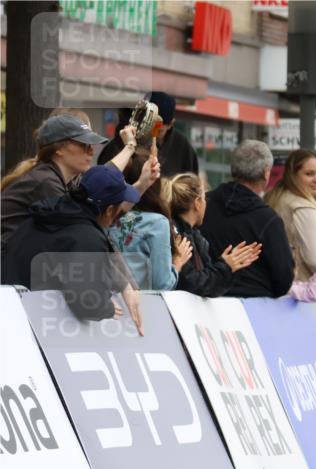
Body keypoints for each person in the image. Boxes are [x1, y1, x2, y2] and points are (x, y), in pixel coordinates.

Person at [1, 165, 142, 325]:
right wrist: (107, 308)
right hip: (29, 324)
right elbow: (88, 303)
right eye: (119, 209)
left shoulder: (45, 214)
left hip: (10, 311)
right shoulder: (87, 237)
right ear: (110, 210)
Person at [2, 114, 157, 244]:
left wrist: (142, 184)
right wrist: (129, 147)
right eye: (84, 144)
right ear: (59, 149)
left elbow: (105, 198)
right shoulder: (46, 182)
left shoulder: (65, 179)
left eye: (91, 145)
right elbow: (89, 224)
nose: (91, 151)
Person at [200, 140, 295, 298]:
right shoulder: (268, 219)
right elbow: (283, 280)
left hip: (203, 300)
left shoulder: (203, 205)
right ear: (266, 172)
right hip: (255, 303)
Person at [266, 149, 316, 300]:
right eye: (309, 174)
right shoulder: (304, 208)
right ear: (293, 175)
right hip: (306, 295)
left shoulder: (277, 199)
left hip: (282, 291)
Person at [162, 172, 261, 297]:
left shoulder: (194, 237)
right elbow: (193, 284)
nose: (206, 204)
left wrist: (227, 265)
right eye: (204, 199)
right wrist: (226, 267)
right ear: (197, 203)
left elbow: (205, 281)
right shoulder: (177, 236)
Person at [108, 148, 189, 290]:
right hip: (140, 301)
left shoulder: (105, 216)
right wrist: (177, 264)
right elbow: (162, 284)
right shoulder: (157, 223)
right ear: (154, 183)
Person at [98, 92, 199, 177]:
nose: (151, 135)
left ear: (171, 124)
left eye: (158, 131)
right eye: (148, 128)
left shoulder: (183, 147)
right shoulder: (119, 145)